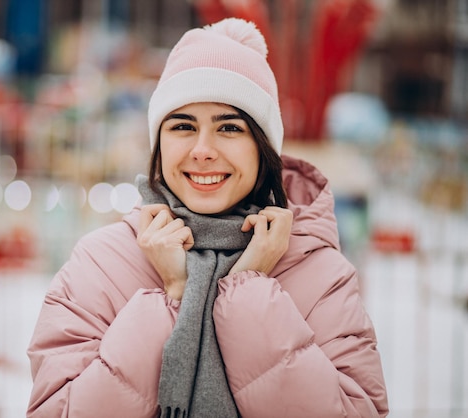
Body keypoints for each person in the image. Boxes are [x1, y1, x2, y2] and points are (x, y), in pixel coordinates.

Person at [26, 17, 388, 418]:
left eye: (229, 128)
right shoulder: (99, 264)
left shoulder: (321, 274)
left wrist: (247, 292)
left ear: (263, 148)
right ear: (159, 145)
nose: (202, 150)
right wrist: (173, 297)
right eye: (182, 125)